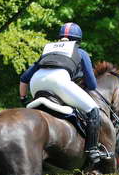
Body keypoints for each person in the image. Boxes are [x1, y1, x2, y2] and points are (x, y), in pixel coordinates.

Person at [19, 22, 105, 164]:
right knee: (94, 110)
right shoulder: (80, 52)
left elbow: (23, 78)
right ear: (78, 40)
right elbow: (92, 84)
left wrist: (23, 100)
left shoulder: (48, 50)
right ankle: (92, 150)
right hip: (58, 82)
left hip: (36, 84)